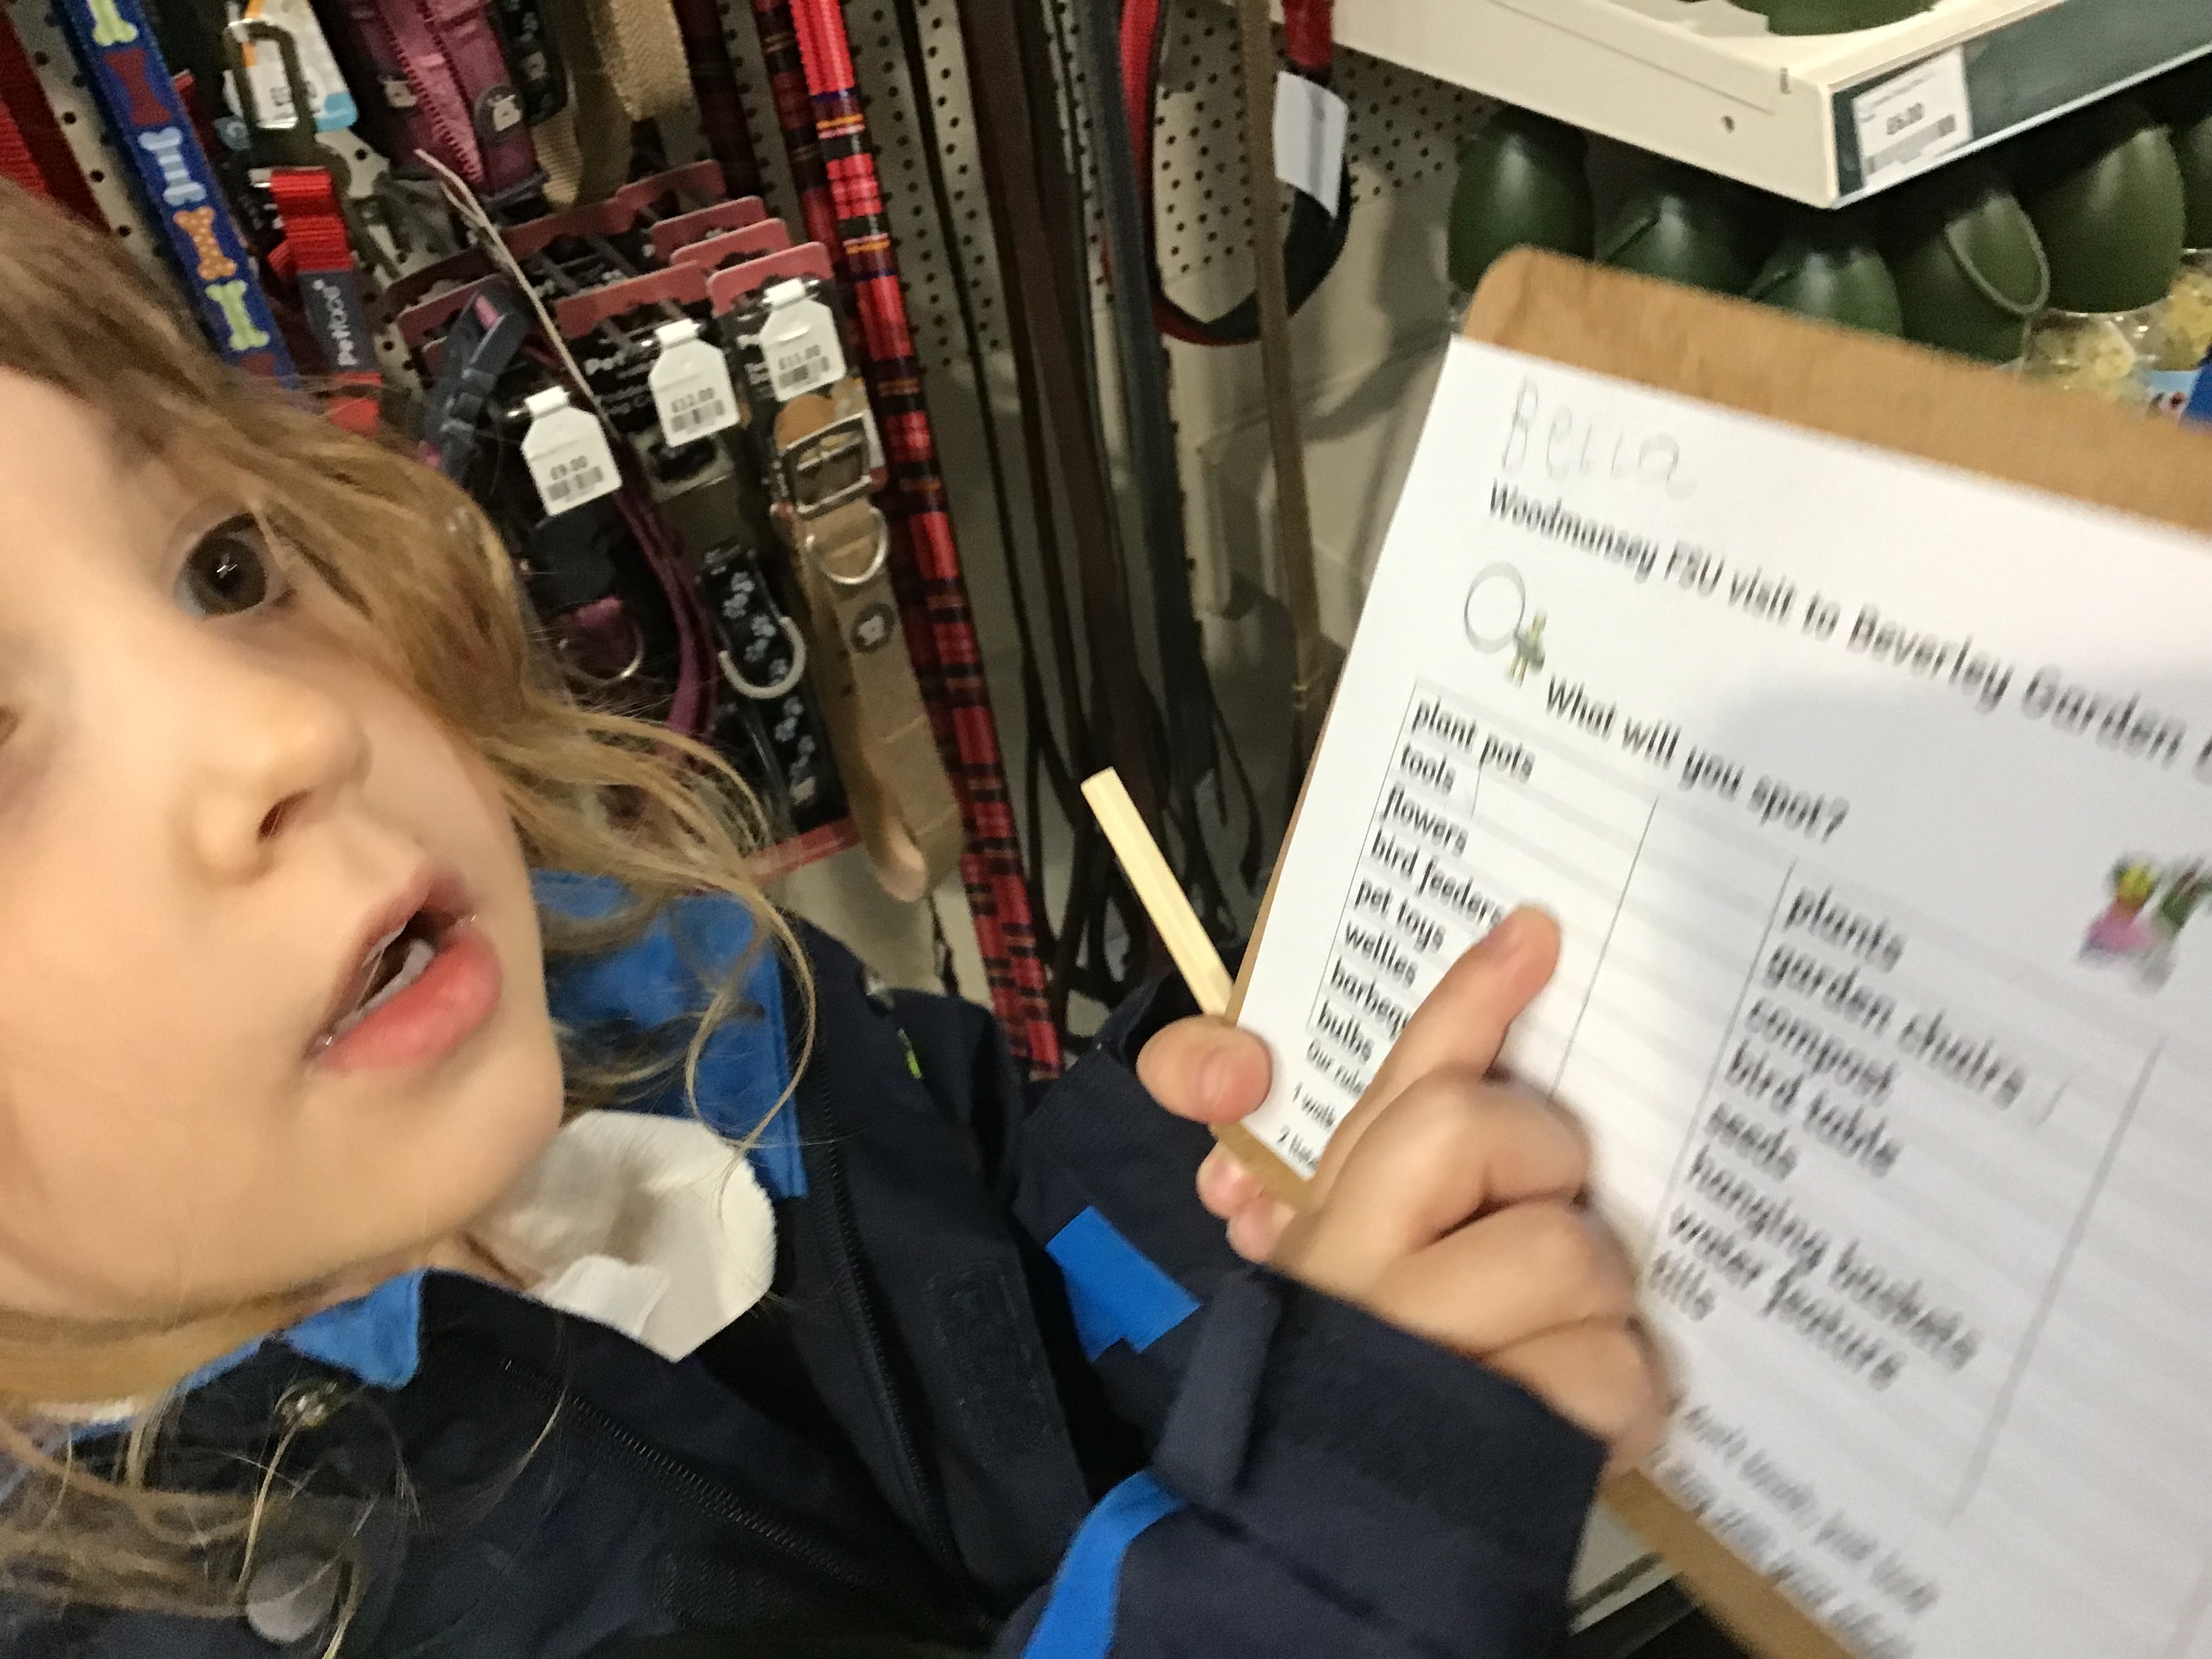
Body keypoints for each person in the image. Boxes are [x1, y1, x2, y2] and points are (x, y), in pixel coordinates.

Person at [0, 180, 1662, 1656]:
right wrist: (1338, 1537)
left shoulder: (670, 1000)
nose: (283, 727)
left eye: (224, 568)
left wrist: (1204, 1192)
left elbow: (988, 1251)